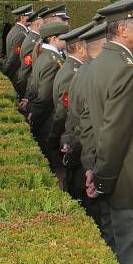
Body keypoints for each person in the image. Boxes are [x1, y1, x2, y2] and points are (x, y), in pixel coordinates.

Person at [80, 0, 133, 264]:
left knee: (116, 255)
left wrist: (92, 168)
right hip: (131, 184)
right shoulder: (125, 68)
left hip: (113, 181)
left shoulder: (100, 64)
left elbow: (88, 123)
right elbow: (114, 132)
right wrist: (101, 179)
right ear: (123, 29)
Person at [62, 20, 107, 227]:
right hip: (89, 153)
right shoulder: (93, 73)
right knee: (97, 218)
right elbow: (87, 121)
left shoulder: (84, 70)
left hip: (82, 151)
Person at [48, 22, 94, 182]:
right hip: (75, 139)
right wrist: (61, 139)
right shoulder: (72, 71)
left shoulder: (72, 68)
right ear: (80, 48)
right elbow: (66, 112)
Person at [26, 21, 69, 165]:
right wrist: (35, 118)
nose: (67, 39)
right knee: (49, 160)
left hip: (43, 116)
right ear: (53, 39)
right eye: (64, 37)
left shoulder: (45, 54)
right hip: (47, 119)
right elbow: (45, 96)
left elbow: (33, 84)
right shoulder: (52, 60)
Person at [16, 6, 49, 98]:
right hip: (29, 90)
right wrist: (25, 96)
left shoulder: (36, 39)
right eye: (44, 24)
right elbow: (26, 71)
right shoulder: (32, 42)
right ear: (38, 26)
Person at [3, 3, 32, 83]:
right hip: (16, 74)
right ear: (22, 18)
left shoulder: (17, 29)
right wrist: (5, 75)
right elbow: (14, 58)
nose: (32, 18)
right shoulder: (21, 34)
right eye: (30, 16)